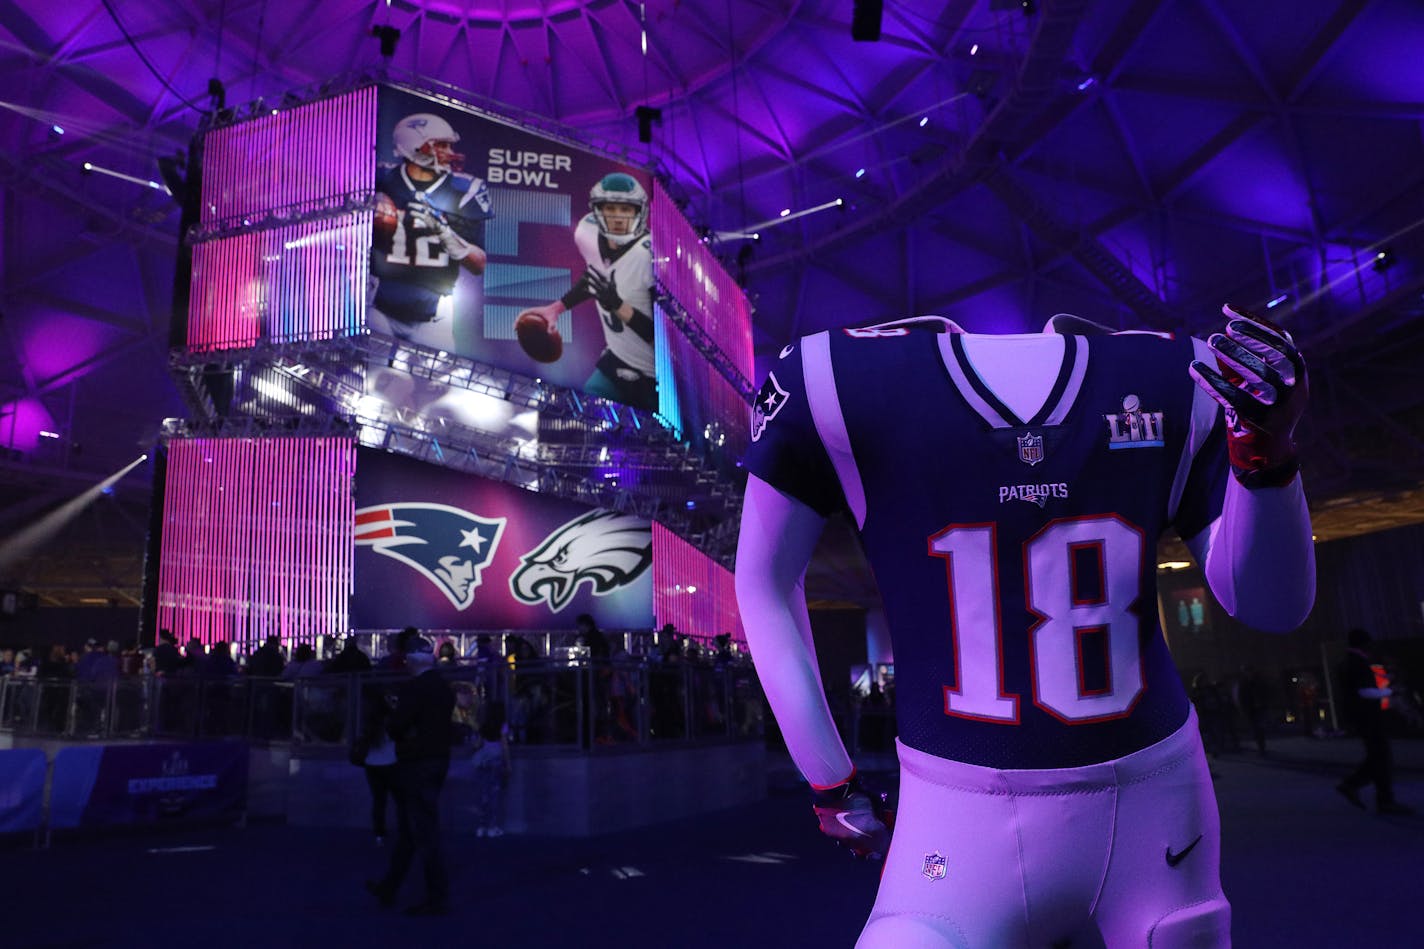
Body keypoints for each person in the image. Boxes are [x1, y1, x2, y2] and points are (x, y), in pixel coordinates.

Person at [735, 306, 1317, 947]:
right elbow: (1271, 609)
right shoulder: (1171, 373)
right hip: (1029, 803)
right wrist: (1269, 463)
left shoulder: (836, 375)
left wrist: (832, 784)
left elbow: (764, 583)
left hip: (1132, 796)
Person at [514, 172, 658, 412]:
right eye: (611, 208)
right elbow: (596, 275)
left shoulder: (649, 257)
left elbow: (664, 339)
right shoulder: (587, 233)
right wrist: (558, 307)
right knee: (583, 419)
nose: (618, 217)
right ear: (598, 211)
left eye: (626, 209)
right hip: (616, 361)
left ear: (638, 212)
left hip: (656, 379)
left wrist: (619, 308)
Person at [368, 111, 493, 353]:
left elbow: (479, 264)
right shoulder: (380, 179)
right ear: (413, 145)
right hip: (378, 306)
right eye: (440, 145)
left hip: (435, 313)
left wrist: (445, 233)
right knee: (377, 376)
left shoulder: (463, 190)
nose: (448, 152)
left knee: (436, 386)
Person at [366, 637, 455, 915]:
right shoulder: (443, 687)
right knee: (412, 827)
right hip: (438, 759)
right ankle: (390, 886)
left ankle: (436, 897)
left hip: (417, 762)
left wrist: (396, 724)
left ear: (412, 660)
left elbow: (398, 724)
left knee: (423, 831)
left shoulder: (414, 688)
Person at [1336, 628, 1413, 815]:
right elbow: (1364, 691)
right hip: (1368, 717)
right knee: (1381, 757)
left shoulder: (1351, 662)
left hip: (1361, 717)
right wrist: (1390, 692)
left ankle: (1378, 797)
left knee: (1378, 757)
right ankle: (1363, 789)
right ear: (1364, 643)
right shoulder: (1358, 663)